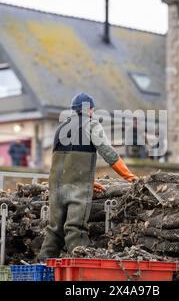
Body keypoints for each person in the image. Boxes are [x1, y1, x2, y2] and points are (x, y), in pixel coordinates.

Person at [39, 93, 138, 261]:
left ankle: (42, 268)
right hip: (77, 187)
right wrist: (130, 177)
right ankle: (80, 269)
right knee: (75, 229)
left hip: (55, 185)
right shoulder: (91, 125)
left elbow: (64, 160)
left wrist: (90, 180)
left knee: (54, 229)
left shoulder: (61, 128)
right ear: (90, 110)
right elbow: (108, 152)